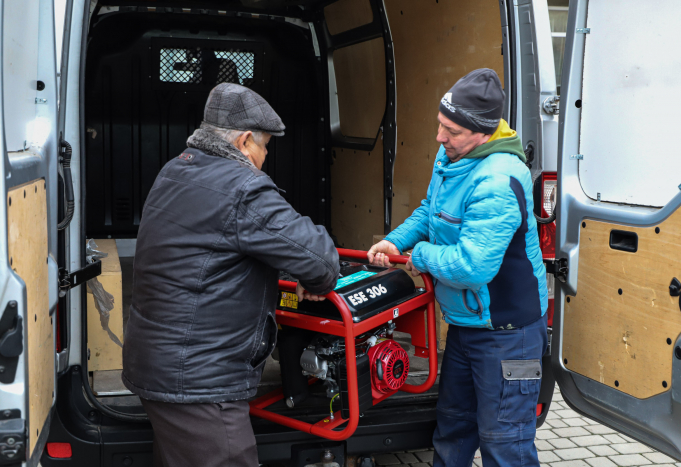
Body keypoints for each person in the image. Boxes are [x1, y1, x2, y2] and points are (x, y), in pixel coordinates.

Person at [122, 83, 340, 467]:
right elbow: (320, 260)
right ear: (243, 142)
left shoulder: (175, 170)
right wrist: (314, 281)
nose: (266, 156)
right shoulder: (242, 188)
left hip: (161, 366)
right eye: (265, 146)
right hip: (200, 385)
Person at [368, 69, 548, 467]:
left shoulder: (498, 180)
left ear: (482, 133)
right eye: (440, 125)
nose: (439, 137)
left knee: (505, 444)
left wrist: (422, 256)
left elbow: (471, 267)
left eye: (450, 130)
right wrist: (395, 241)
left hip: (509, 335)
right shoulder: (454, 153)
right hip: (468, 327)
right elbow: (429, 211)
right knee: (452, 431)